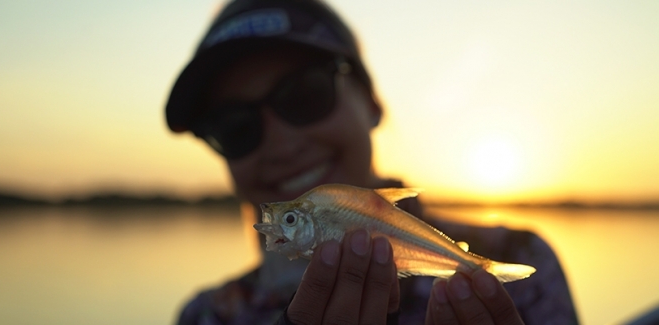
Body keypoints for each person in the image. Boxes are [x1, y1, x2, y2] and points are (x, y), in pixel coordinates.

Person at [165, 0, 579, 324]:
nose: (280, 142)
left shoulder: (529, 263)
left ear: (371, 102)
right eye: (234, 126)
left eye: (305, 94)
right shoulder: (207, 317)